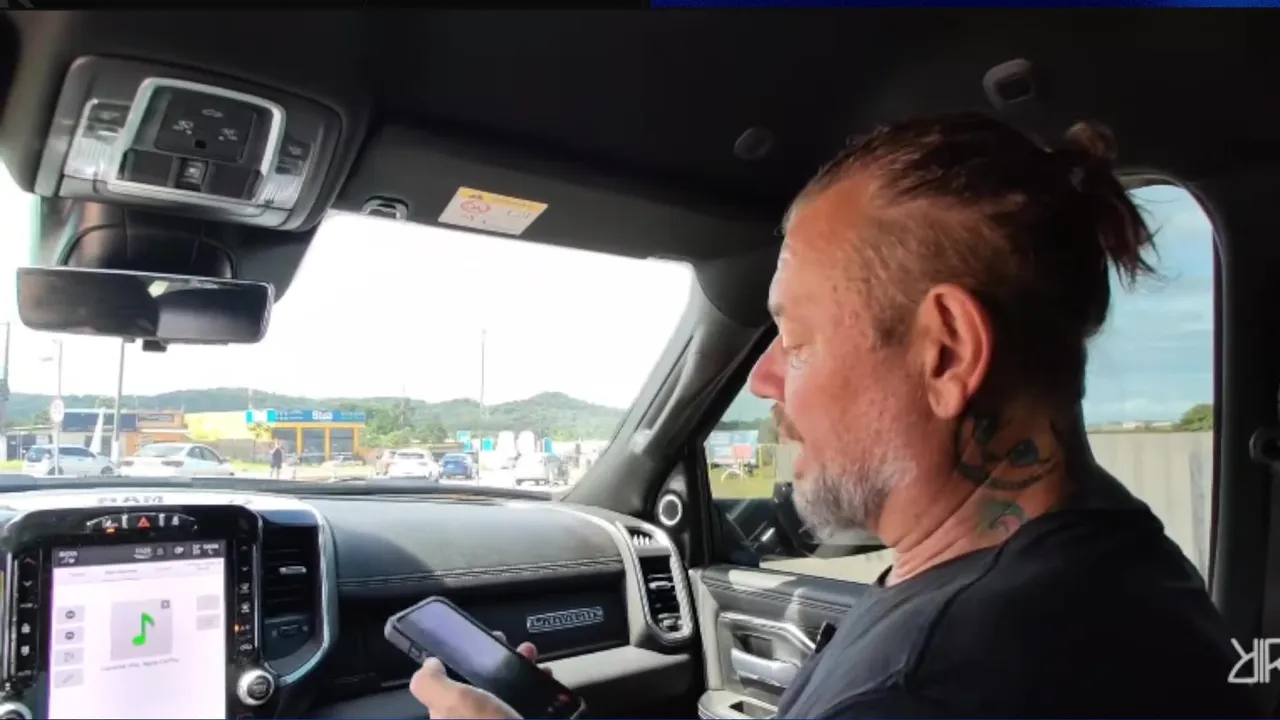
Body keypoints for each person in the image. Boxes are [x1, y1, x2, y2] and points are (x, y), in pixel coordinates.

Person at [407, 114, 1266, 719]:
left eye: (796, 339)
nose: (765, 379)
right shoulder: (1120, 568)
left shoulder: (931, 686)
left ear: (946, 353)